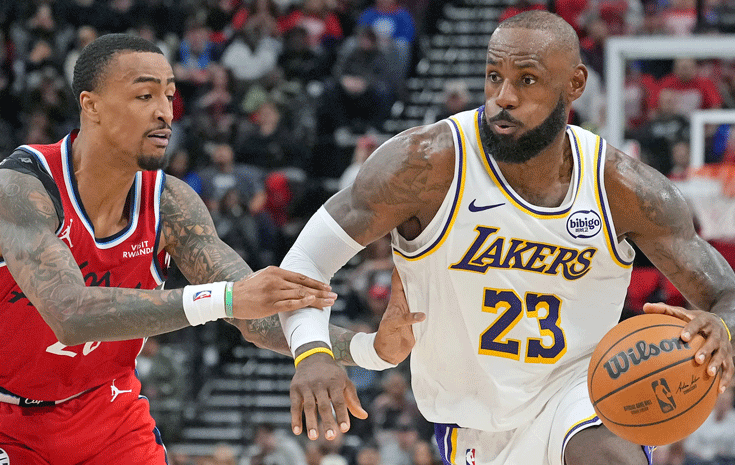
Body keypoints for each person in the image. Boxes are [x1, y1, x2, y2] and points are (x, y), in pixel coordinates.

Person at [278, 11, 735, 465]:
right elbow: (305, 261)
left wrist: (722, 331)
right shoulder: (424, 164)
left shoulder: (623, 188)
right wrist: (313, 351)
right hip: (472, 420)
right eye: (494, 77)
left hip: (583, 392)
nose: (502, 97)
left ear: (574, 84)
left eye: (526, 80)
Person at [0, 33, 421, 465]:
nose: (165, 112)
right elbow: (70, 313)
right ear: (91, 106)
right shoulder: (22, 187)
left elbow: (252, 314)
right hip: (8, 420)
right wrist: (225, 299)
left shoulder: (171, 204)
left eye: (169, 95)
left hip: (107, 412)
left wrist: (368, 349)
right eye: (145, 95)